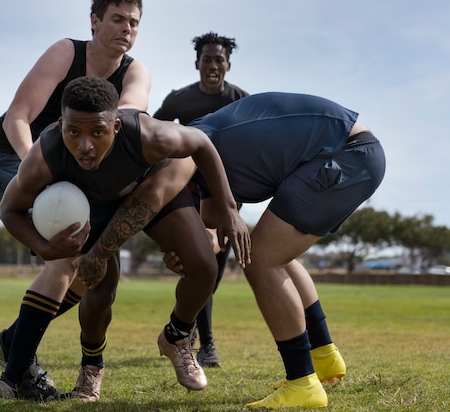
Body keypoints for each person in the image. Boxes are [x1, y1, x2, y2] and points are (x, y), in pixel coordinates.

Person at [0, 76, 250, 401]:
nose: (85, 145)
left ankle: (178, 335)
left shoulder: (147, 136)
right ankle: (91, 369)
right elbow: (9, 210)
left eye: (97, 132)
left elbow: (200, 143)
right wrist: (46, 248)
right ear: (61, 125)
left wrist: (229, 209)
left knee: (203, 267)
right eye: (74, 132)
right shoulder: (44, 156)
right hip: (95, 205)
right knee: (100, 287)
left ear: (116, 126)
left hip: (153, 188)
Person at [165, 91, 386, 409]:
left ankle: (302, 384)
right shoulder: (203, 170)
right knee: (270, 253)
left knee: (261, 259)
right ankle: (323, 357)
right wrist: (186, 249)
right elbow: (215, 235)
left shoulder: (187, 149)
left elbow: (164, 188)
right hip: (350, 152)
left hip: (345, 152)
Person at [0, 0, 155, 380]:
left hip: (74, 173)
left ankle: (13, 341)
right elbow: (17, 119)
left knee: (92, 265)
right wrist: (44, 172)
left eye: (133, 22)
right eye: (117, 19)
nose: (126, 28)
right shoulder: (66, 52)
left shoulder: (135, 73)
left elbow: (125, 125)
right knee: (68, 247)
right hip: (15, 160)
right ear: (94, 21)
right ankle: (18, 373)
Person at [152, 31, 249, 368]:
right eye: (206, 59)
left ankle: (188, 331)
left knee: (214, 273)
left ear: (228, 64)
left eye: (218, 60)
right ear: (197, 63)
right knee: (200, 266)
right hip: (190, 196)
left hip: (227, 197)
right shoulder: (179, 100)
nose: (212, 65)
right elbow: (155, 133)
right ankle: (204, 344)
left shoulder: (241, 100)